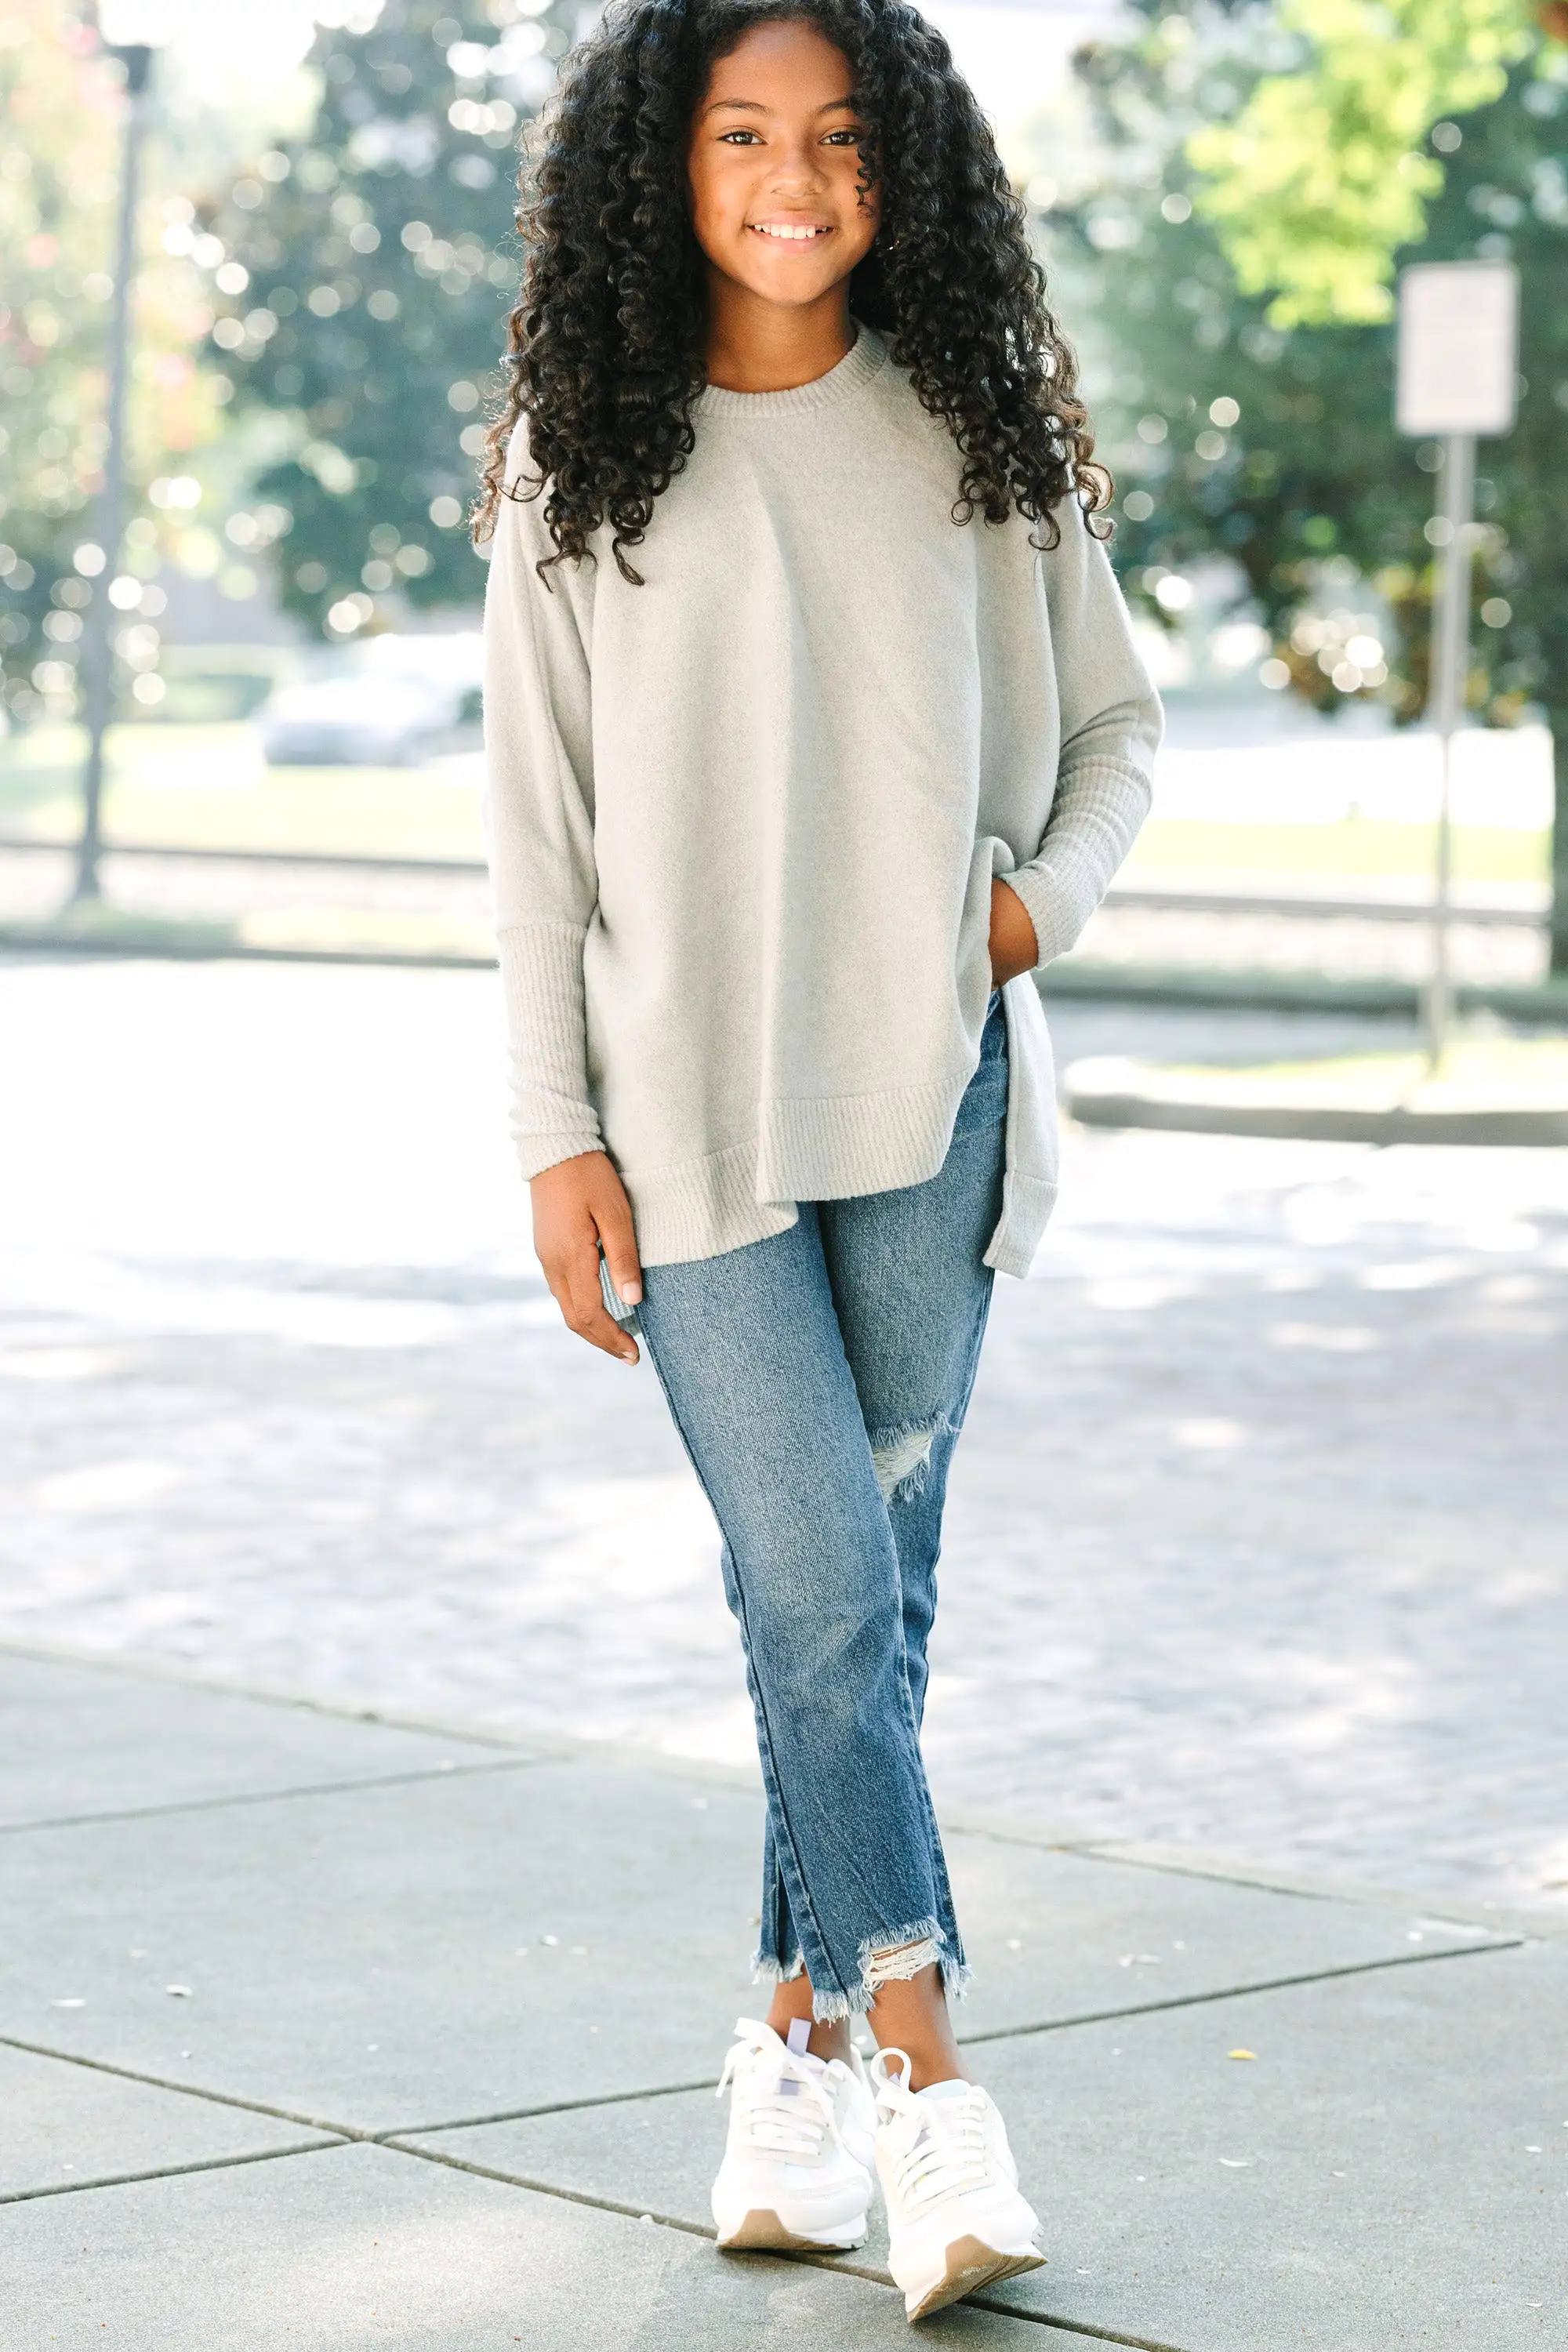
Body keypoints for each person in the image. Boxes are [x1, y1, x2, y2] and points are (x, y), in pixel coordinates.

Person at [475, 0, 1159, 2320]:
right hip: (685, 1135)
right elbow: (530, 849)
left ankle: (783, 2051)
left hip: (927, 1104)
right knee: (823, 1605)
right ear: (664, 166)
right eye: (745, 133)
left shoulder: (979, 438)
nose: (795, 175)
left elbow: (1115, 733)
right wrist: (552, 1138)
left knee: (857, 1611)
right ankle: (931, 2088)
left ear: (911, 172)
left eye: (844, 137)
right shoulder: (585, 457)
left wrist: (1020, 913)